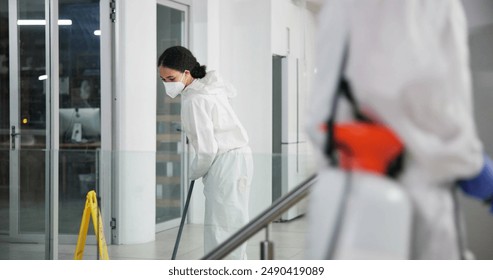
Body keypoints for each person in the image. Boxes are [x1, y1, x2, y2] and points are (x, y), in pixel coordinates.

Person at [305, 0, 493, 259]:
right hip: (410, 202)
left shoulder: (339, 8)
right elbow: (432, 105)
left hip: (347, 196)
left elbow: (324, 111)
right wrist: (471, 164)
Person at [157, 46, 253, 259]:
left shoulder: (194, 100)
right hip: (239, 158)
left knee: (221, 227)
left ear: (186, 73)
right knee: (233, 222)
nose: (167, 85)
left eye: (171, 79)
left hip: (225, 162)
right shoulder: (209, 88)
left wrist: (194, 171)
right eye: (163, 80)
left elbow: (207, 150)